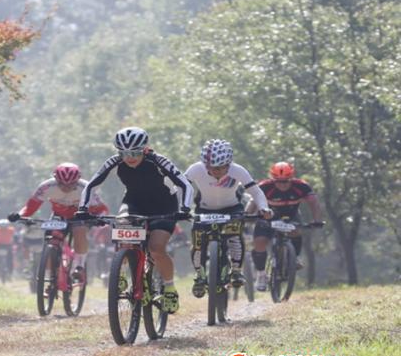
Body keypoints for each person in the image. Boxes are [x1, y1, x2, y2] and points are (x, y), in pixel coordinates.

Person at [75, 127, 193, 314]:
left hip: (164, 205)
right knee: (122, 226)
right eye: (124, 153)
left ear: (145, 149)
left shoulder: (158, 160)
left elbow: (185, 184)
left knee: (156, 248)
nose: (129, 157)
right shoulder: (114, 161)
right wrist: (82, 209)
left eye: (135, 153)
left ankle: (169, 287)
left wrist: (185, 209)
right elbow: (91, 185)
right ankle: (121, 271)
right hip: (134, 202)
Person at [184, 139, 273, 298]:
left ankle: (236, 271)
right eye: (211, 167)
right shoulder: (196, 169)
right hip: (204, 209)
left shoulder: (238, 170)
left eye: (220, 167)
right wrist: (180, 207)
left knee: (234, 236)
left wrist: (264, 208)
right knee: (198, 241)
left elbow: (256, 192)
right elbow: (181, 187)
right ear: (205, 164)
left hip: (232, 208)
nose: (216, 171)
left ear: (229, 164)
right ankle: (199, 276)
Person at [8, 163, 109, 283]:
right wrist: (19, 215)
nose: (66, 188)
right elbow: (31, 206)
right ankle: (52, 274)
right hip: (59, 215)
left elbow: (102, 209)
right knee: (50, 238)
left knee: (80, 230)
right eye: (61, 184)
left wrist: (100, 218)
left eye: (71, 184)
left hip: (81, 216)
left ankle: (79, 266)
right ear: (55, 179)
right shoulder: (46, 187)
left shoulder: (87, 188)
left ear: (77, 180)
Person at [246, 162, 324, 291]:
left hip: (291, 215)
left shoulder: (301, 186)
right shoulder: (265, 186)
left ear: (291, 178)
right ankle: (261, 275)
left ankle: (295, 257)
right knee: (260, 242)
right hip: (267, 217)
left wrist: (317, 220)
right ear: (273, 179)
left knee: (296, 231)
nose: (282, 184)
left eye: (286, 181)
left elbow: (314, 203)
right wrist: (248, 216)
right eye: (279, 181)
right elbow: (253, 202)